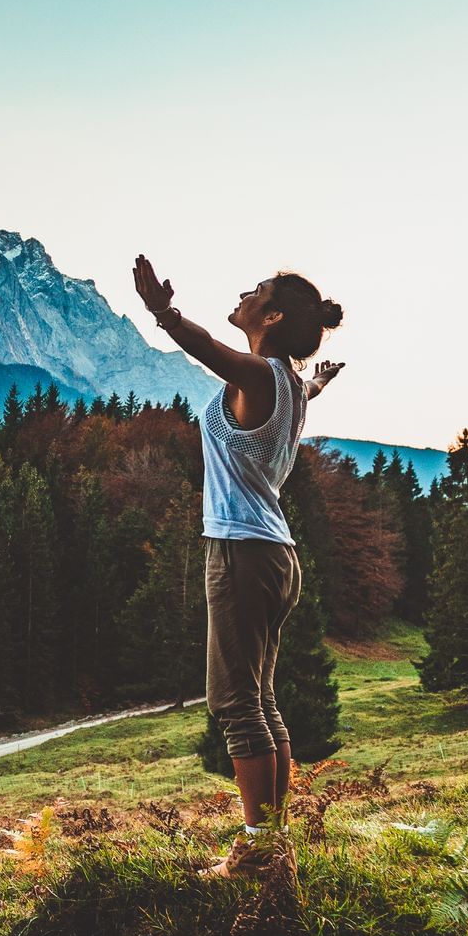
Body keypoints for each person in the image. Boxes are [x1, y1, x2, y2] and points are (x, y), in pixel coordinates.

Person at [132, 255, 344, 883]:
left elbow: (206, 349)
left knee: (234, 703)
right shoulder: (289, 386)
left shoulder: (259, 374)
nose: (244, 294)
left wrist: (164, 313)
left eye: (256, 291)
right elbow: (303, 390)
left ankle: (256, 855)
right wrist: (319, 383)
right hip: (274, 554)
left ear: (271, 317)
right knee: (260, 699)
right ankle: (272, 844)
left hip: (242, 554)